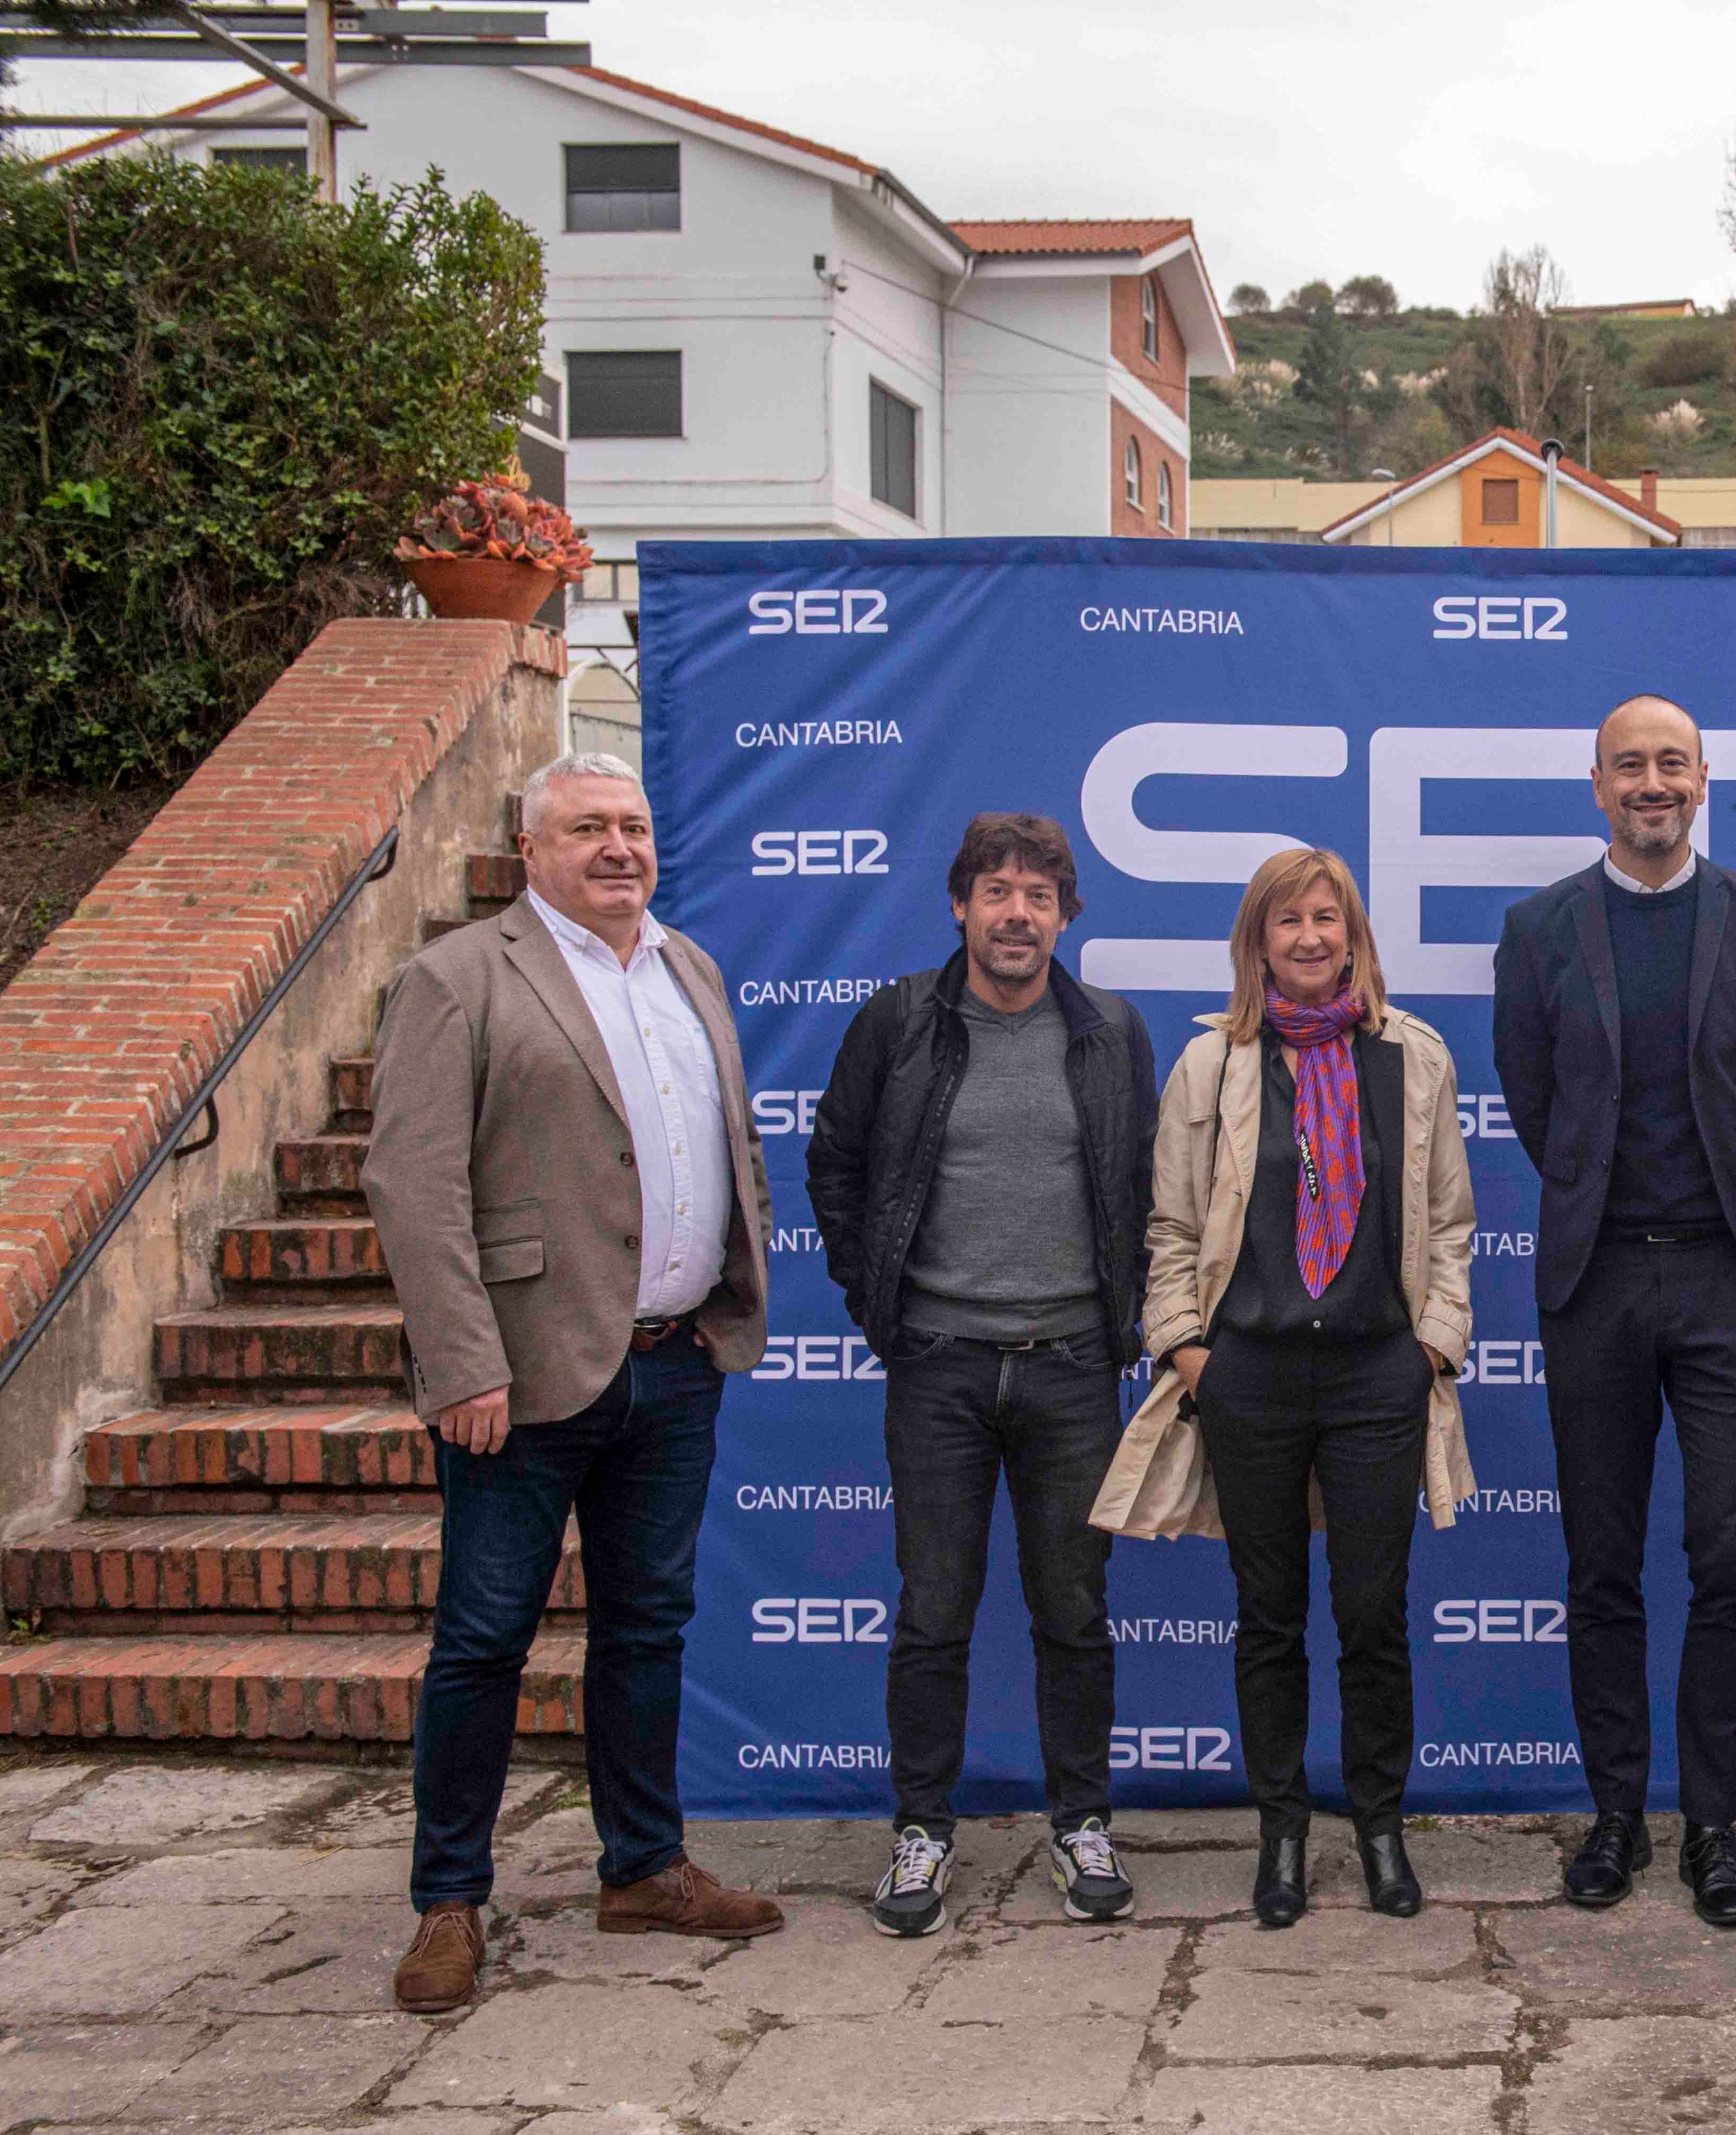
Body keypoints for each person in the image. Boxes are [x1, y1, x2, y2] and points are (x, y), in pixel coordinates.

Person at [363, 751, 781, 2013]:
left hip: (672, 1362)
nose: (619, 847)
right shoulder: (457, 977)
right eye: (588, 827)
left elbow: (718, 1144)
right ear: (530, 849)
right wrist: (461, 1360)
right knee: (483, 1639)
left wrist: (721, 1303)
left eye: (635, 825)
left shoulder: (688, 965)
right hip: (524, 1371)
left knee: (648, 1628)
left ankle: (643, 1866)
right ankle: (450, 1900)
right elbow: (412, 1178)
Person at [1493, 694, 1736, 1929]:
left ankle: (1715, 1831)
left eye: (1671, 763)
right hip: (1598, 1284)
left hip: (1731, 1280)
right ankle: (1617, 1817)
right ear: (1596, 786)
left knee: (1731, 1567)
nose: (1651, 783)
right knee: (1602, 1568)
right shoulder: (1538, 932)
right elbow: (1535, 1099)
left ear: (1702, 778)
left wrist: (1730, 1197)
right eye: (1628, 765)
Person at [805, 813, 1158, 1937]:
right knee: (934, 1612)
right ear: (959, 906)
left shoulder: (1111, 1029)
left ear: (1068, 916)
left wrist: (1129, 1321)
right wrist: (879, 1305)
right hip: (940, 1370)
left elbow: (1147, 1185)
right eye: (996, 892)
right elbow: (836, 1164)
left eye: (1039, 895)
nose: (1017, 913)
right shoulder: (900, 1021)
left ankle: (1081, 1825)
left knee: (1074, 1611)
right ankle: (922, 1834)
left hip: (1069, 1370)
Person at [1129, 848, 1475, 1928]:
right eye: (1290, 923)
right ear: (1258, 942)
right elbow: (1175, 1226)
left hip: (1379, 1374)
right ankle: (1280, 1832)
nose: (1312, 939)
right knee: (1267, 1617)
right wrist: (1188, 1348)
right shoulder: (1214, 1066)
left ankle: (1378, 1827)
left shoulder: (1413, 1057)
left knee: (1373, 1614)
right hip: (1253, 1378)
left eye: (1329, 918)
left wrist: (1432, 1343)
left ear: (1355, 932)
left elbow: (1452, 1222)